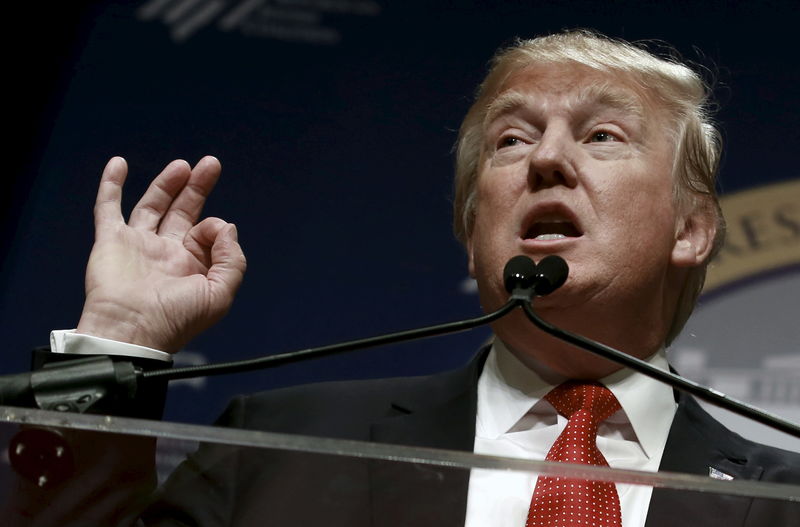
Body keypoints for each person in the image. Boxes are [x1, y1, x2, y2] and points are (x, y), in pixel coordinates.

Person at [10, 30, 800, 526]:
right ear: (471, 235)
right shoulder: (287, 446)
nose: (549, 159)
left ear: (691, 231)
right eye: (511, 140)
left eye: (601, 134)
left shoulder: (782, 499)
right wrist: (117, 339)